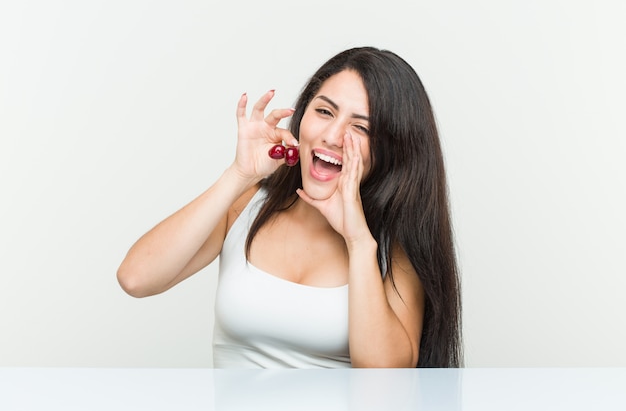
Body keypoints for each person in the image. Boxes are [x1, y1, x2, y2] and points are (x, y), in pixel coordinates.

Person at [117, 46, 462, 368]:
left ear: (391, 150)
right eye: (324, 112)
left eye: (360, 127)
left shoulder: (393, 247)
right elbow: (136, 278)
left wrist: (358, 242)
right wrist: (238, 175)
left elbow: (385, 378)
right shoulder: (247, 207)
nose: (332, 135)